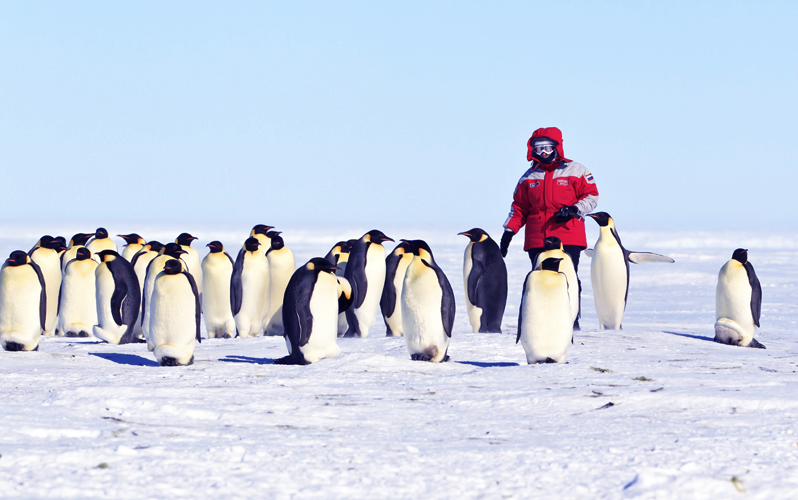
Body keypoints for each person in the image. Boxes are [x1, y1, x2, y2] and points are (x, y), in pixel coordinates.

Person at [500, 126, 598, 329]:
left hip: (568, 235)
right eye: (538, 149)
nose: (543, 152)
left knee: (568, 277)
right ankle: (543, 322)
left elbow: (591, 196)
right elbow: (519, 207)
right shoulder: (528, 177)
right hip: (537, 237)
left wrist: (573, 210)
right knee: (539, 281)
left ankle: (572, 320)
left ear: (557, 147)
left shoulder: (577, 170)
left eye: (547, 147)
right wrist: (509, 231)